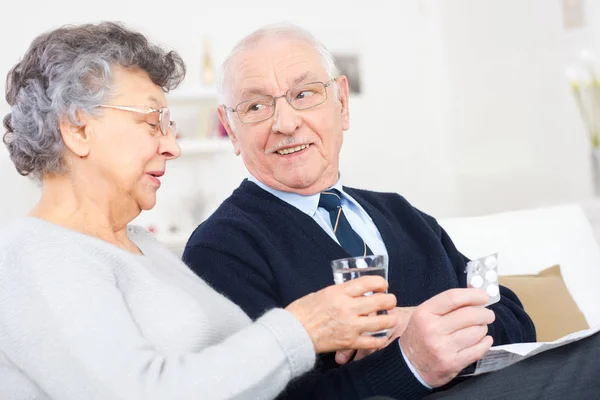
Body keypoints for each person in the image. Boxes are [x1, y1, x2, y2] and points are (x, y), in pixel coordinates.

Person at [182, 23, 600, 399]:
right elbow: (261, 395)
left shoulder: (401, 214)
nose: (286, 123)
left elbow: (512, 315)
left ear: (342, 104)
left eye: (304, 94)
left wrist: (419, 324)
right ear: (230, 127)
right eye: (256, 107)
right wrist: (411, 363)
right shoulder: (219, 249)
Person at [0, 22, 399, 400]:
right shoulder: (34, 255)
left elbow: (238, 372)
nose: (173, 146)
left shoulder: (139, 245)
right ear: (78, 129)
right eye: (154, 122)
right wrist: (303, 329)